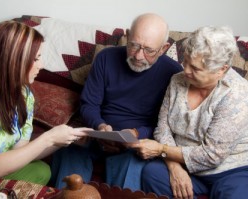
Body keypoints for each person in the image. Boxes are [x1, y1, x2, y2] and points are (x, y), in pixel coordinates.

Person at [50, 13, 183, 190]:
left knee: (132, 165)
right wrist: (100, 126)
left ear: (163, 48)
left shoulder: (174, 73)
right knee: (69, 152)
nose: (138, 56)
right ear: (127, 36)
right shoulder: (106, 57)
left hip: (138, 144)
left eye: (149, 50)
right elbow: (89, 103)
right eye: (134, 45)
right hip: (99, 135)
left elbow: (168, 124)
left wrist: (137, 133)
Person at [129, 26, 248, 199]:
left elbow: (211, 155)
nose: (186, 71)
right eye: (186, 61)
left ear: (222, 69)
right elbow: (163, 128)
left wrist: (161, 149)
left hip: (234, 169)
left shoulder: (238, 96)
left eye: (196, 69)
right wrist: (174, 166)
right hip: (183, 162)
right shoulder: (177, 80)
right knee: (152, 173)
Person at [0, 20, 90, 192]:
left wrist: (62, 140)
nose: (41, 65)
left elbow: (21, 150)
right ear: (13, 60)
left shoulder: (24, 94)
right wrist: (48, 138)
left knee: (40, 170)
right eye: (35, 58)